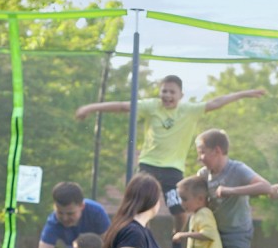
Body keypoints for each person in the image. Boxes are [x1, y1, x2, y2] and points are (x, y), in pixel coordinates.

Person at [73, 75, 266, 222]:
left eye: (172, 92)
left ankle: (176, 236)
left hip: (172, 168)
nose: (167, 96)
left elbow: (216, 102)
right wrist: (90, 108)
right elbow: (124, 106)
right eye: (164, 91)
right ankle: (141, 234)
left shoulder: (189, 110)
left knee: (178, 210)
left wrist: (244, 94)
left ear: (180, 95)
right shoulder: (151, 106)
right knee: (140, 206)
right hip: (148, 164)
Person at [194, 129, 274, 248]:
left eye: (202, 152)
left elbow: (266, 187)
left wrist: (231, 191)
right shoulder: (202, 175)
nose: (200, 158)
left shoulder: (237, 169)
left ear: (217, 151)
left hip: (237, 232)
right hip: (214, 234)